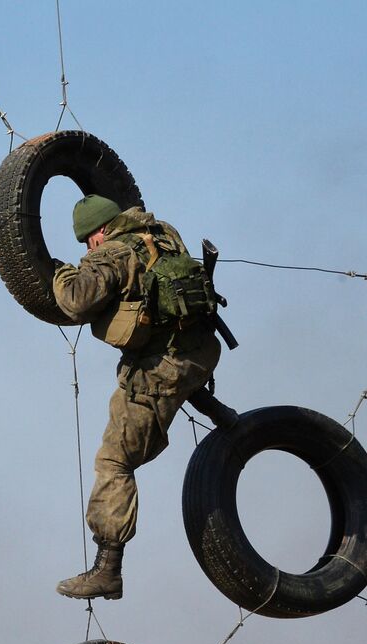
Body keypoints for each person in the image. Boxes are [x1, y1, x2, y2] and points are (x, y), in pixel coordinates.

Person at [51, 194, 236, 600]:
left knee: (114, 461)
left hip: (163, 370)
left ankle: (108, 569)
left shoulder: (111, 253)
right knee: (163, 363)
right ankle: (222, 414)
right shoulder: (162, 232)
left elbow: (75, 302)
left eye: (87, 241)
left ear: (98, 233)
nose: (88, 248)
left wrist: (63, 272)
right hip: (202, 353)